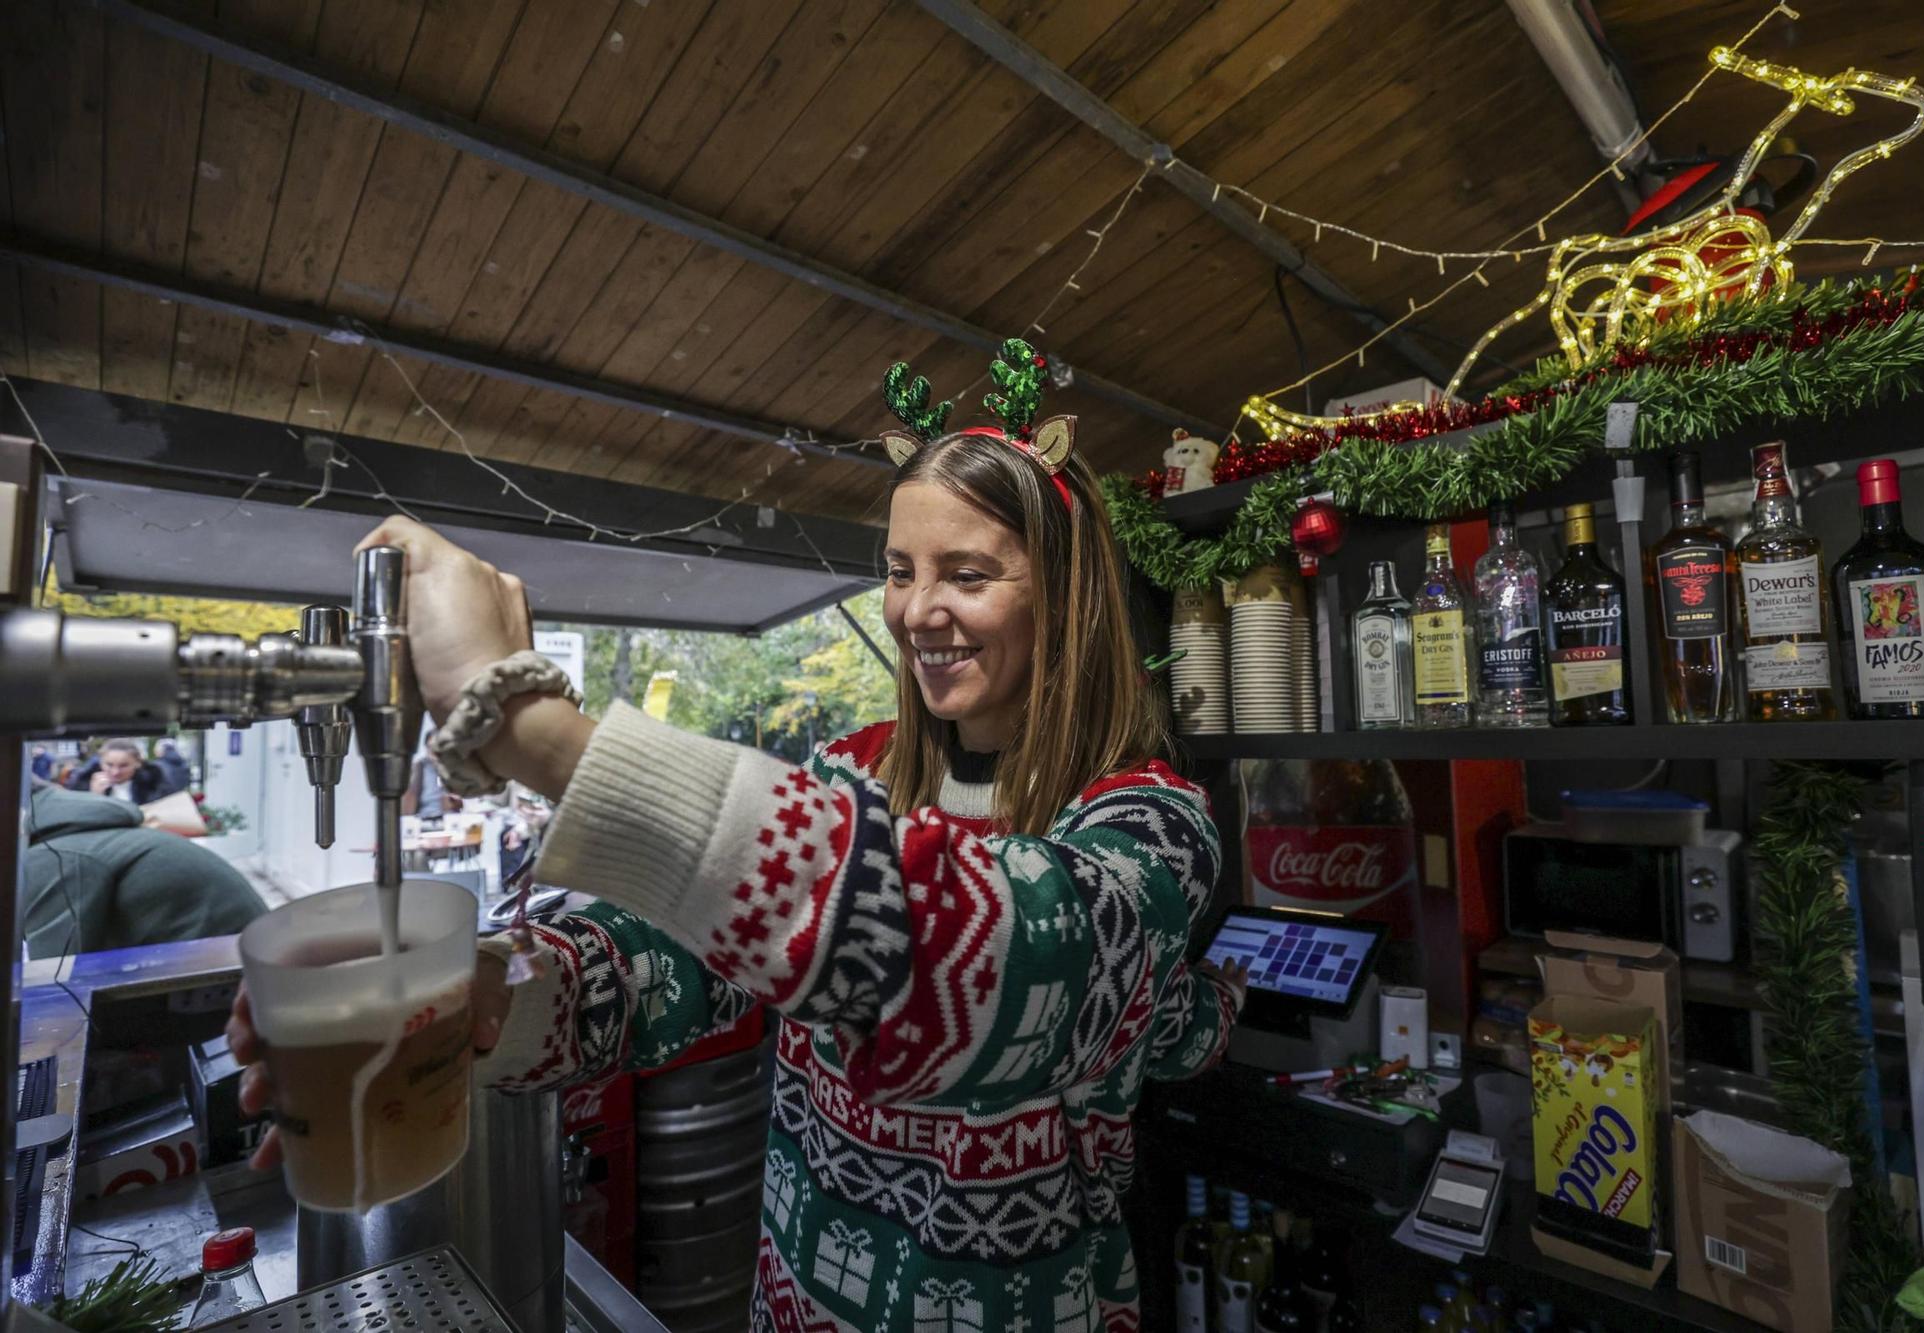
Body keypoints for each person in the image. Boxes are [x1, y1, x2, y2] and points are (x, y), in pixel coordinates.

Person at [231, 352, 1245, 1331]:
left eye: (966, 573)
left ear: (1063, 601)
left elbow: (1004, 958)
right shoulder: (854, 772)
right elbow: (679, 953)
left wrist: (527, 727)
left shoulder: (1145, 823)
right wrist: (496, 999)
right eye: (898, 571)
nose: (915, 610)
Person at [21, 783, 267, 959]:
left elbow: (55, 976)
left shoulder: (55, 856)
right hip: (236, 969)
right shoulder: (73, 836)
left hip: (224, 988)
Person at [65, 739, 178, 806]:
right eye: (109, 765)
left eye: (123, 766)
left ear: (137, 763)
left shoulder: (154, 783)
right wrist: (94, 796)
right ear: (100, 762)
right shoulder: (83, 782)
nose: (115, 772)